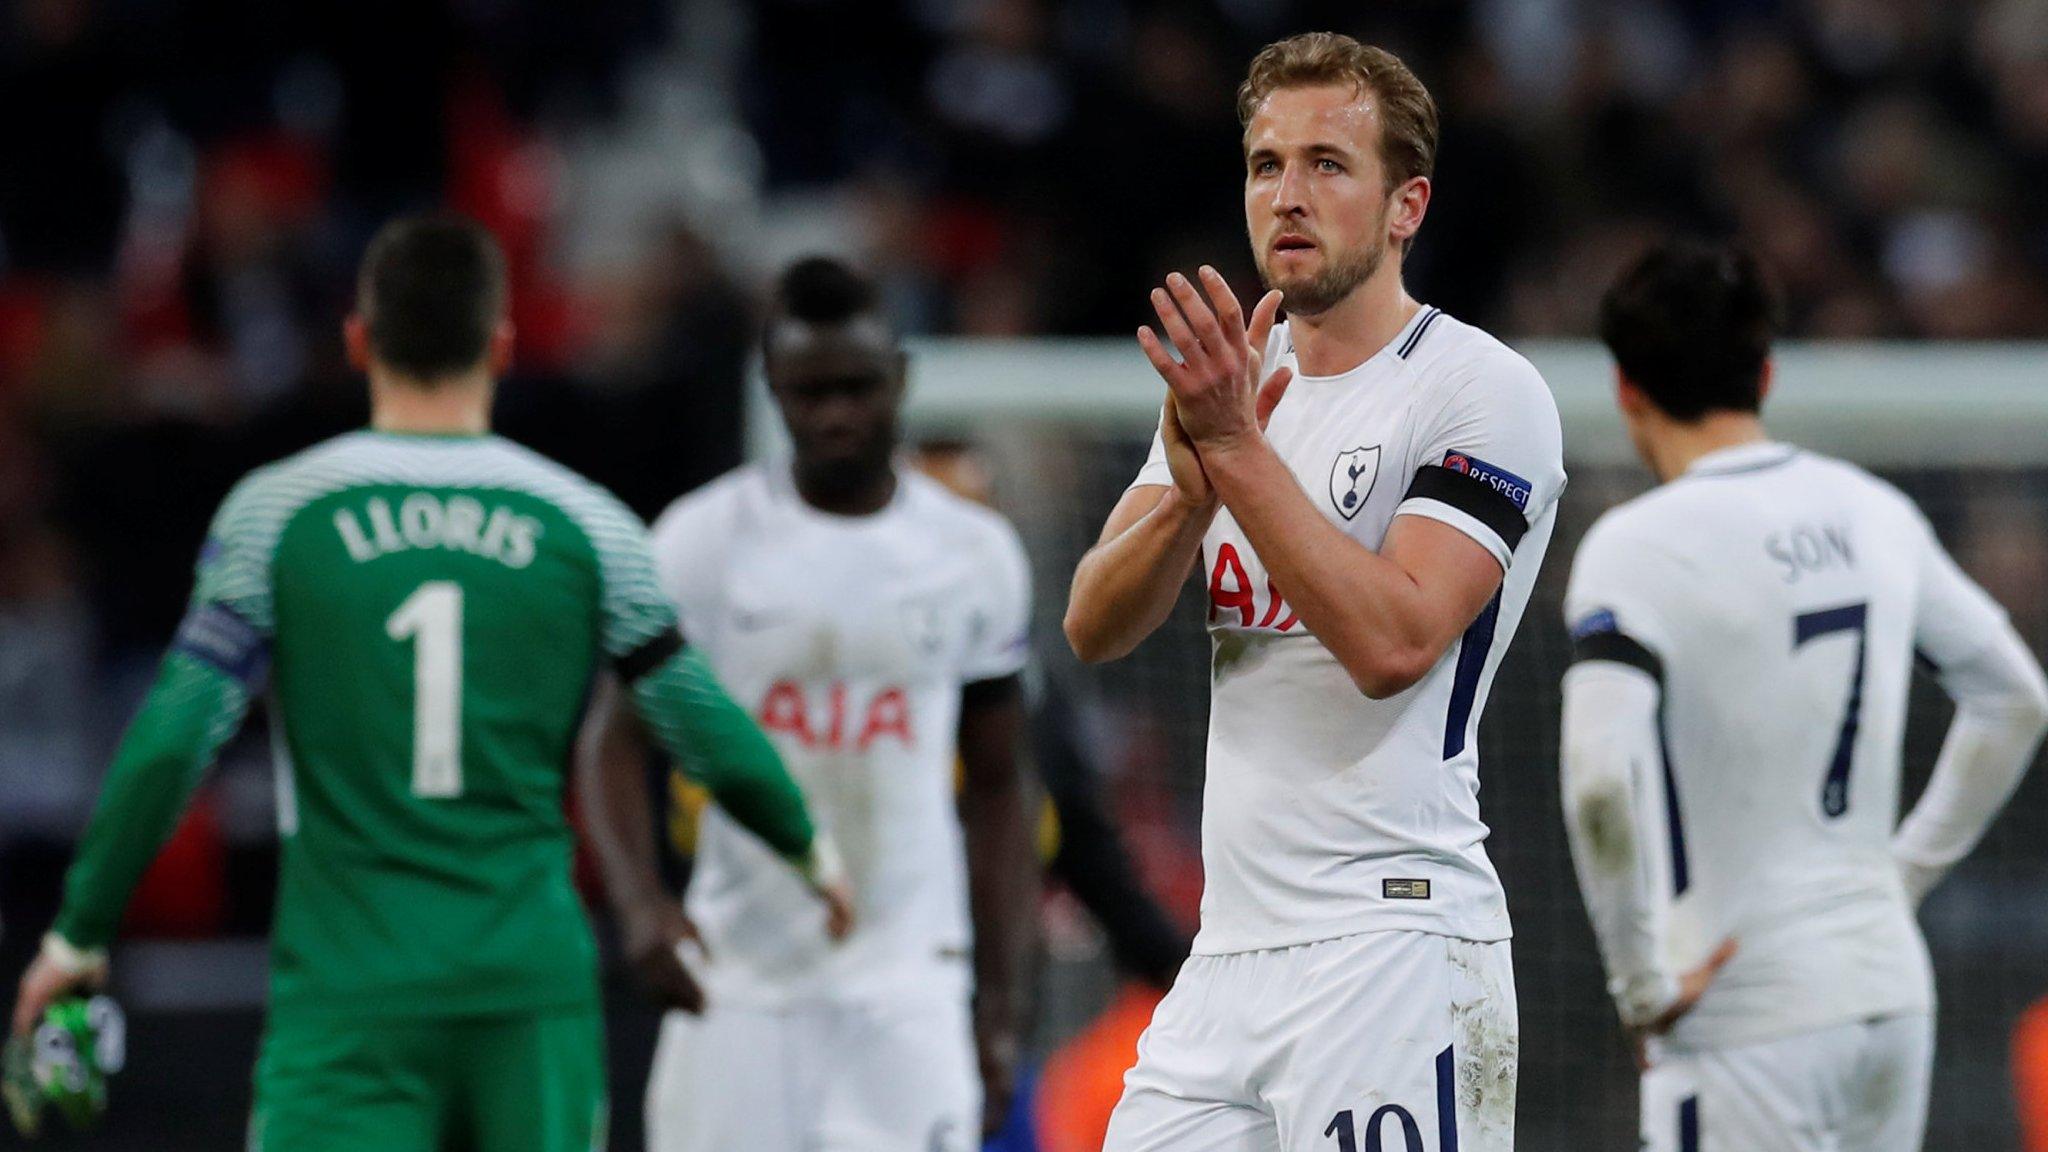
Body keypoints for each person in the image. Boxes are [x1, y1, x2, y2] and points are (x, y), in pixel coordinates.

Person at [8, 215, 844, 1152]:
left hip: (350, 993)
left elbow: (175, 737)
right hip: (526, 989)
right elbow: (696, 717)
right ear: (500, 345)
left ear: (360, 342)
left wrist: (77, 934)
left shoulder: (278, 512)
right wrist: (810, 849)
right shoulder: (588, 522)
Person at [1065, 31, 1566, 1152]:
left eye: (1327, 165)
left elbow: (1393, 643)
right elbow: (1094, 622)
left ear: (1406, 206)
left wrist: (1234, 453)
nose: (1286, 195)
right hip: (1228, 948)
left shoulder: (1479, 391)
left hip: (1390, 941)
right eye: (1263, 164)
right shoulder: (1234, 385)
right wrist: (1191, 488)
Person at [1561, 238, 2048, 1152]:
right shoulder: (1873, 511)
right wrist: (1900, 876)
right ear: (1769, 373)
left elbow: (1597, 781)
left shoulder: (1636, 548)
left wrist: (1640, 986)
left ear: (1626, 390)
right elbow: (2017, 699)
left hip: (1743, 1006)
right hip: (1887, 994)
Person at [580, 257, 1038, 1152]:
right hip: (740, 982)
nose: (835, 415)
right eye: (809, 392)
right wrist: (638, 909)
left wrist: (1001, 1005)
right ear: (772, 388)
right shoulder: (699, 544)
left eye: (859, 388)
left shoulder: (975, 555)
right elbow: (612, 738)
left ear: (900, 379)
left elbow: (999, 788)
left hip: (908, 985)